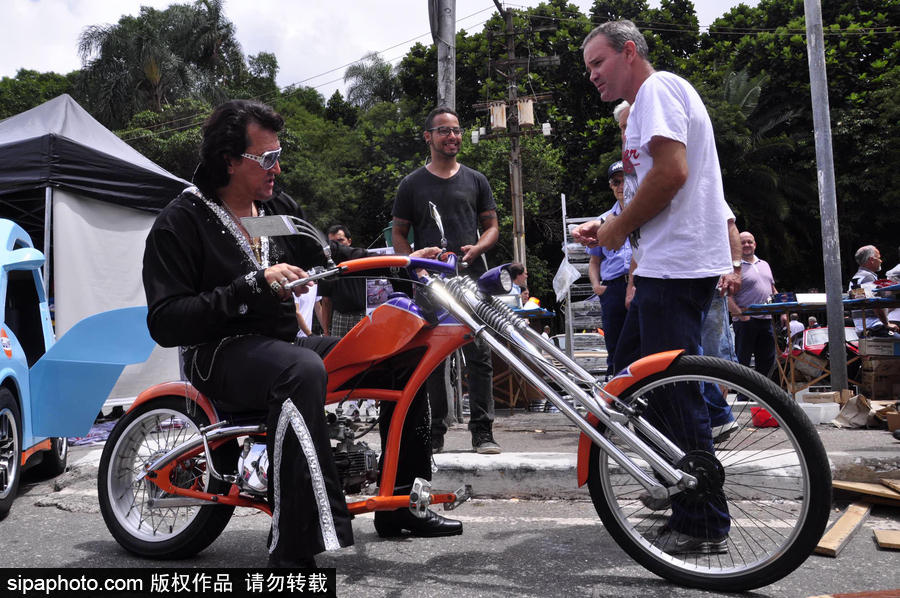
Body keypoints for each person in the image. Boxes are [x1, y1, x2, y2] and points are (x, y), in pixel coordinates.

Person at [142, 101, 458, 568]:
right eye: (267, 158)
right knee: (300, 368)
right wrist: (250, 287)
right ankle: (293, 545)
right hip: (219, 354)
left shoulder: (270, 210)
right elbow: (165, 320)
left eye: (278, 155)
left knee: (401, 354)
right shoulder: (182, 220)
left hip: (283, 346)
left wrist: (403, 262)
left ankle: (402, 503)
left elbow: (328, 257)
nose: (278, 167)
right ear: (230, 160)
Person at [574, 20, 735, 555]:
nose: (592, 76)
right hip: (665, 261)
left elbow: (671, 173)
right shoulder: (649, 101)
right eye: (588, 68)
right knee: (625, 386)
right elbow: (653, 187)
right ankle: (674, 481)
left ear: (628, 52)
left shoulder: (657, 89)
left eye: (598, 63)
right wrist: (619, 233)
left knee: (670, 391)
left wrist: (616, 231)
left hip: (680, 263)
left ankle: (702, 518)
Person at [392, 106, 501, 455]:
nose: (452, 136)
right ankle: (434, 432)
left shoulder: (475, 179)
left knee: (479, 354)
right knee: (433, 359)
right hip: (429, 284)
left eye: (456, 130)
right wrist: (417, 266)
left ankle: (483, 433)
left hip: (471, 281)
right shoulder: (411, 184)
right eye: (443, 131)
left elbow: (493, 228)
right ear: (428, 137)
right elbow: (398, 234)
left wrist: (478, 247)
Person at [586, 160, 631, 378]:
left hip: (642, 285)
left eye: (625, 180)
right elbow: (594, 261)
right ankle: (616, 392)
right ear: (611, 186)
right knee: (614, 342)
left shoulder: (645, 213)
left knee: (644, 339)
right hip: (613, 287)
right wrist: (596, 286)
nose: (621, 186)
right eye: (616, 182)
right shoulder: (602, 221)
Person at [728, 232, 777, 378]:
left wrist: (782, 311)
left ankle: (765, 394)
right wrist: (742, 316)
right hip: (746, 321)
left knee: (767, 359)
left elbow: (772, 289)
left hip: (767, 320)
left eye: (749, 242)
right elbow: (726, 296)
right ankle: (743, 395)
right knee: (743, 360)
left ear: (755, 244)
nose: (746, 245)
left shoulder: (765, 265)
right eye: (742, 243)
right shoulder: (733, 268)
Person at [320, 224, 367, 338]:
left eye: (340, 240)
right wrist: (326, 330)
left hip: (363, 315)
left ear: (349, 241)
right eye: (333, 242)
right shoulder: (327, 268)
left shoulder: (362, 261)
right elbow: (326, 301)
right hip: (339, 316)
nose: (337, 245)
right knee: (339, 353)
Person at [848, 245, 899, 337]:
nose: (881, 261)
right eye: (879, 258)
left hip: (863, 327)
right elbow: (875, 304)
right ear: (871, 259)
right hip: (874, 327)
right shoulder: (868, 277)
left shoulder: (857, 277)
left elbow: (862, 302)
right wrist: (887, 323)